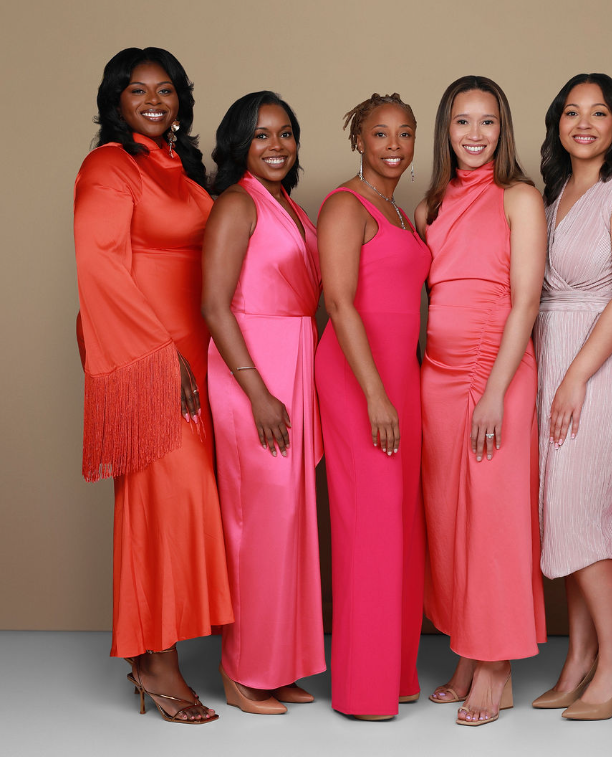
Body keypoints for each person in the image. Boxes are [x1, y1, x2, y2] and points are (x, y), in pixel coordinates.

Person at [73, 47, 232, 724]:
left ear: (180, 100)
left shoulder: (179, 166)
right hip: (148, 352)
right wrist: (162, 357)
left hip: (198, 350)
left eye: (165, 90)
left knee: (184, 503)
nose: (153, 101)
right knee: (163, 499)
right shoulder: (110, 166)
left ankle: (154, 652)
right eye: (138, 90)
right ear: (116, 100)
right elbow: (99, 264)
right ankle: (155, 661)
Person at [415, 75, 547, 727]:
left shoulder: (520, 197)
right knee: (448, 518)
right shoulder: (428, 207)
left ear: (503, 129)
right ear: (446, 129)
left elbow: (526, 300)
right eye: (462, 121)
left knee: (495, 517)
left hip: (499, 370)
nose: (474, 134)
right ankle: (467, 650)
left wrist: (495, 389)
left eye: (487, 121)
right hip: (436, 377)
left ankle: (496, 668)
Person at [531, 73, 612, 721]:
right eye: (571, 112)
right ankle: (579, 657)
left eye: (598, 112)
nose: (583, 123)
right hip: (553, 352)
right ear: (557, 124)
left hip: (601, 359)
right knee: (562, 512)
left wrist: (577, 374)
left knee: (585, 513)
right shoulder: (551, 195)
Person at [201, 92, 325, 715]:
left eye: (285, 133)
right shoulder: (236, 203)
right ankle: (242, 670)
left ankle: (278, 665)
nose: (276, 145)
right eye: (260, 135)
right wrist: (257, 393)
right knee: (254, 525)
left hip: (294, 363)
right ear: (238, 144)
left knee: (289, 522)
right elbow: (215, 305)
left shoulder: (291, 206)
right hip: (251, 370)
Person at [315, 93, 429, 720]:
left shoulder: (401, 213)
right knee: (370, 524)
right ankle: (363, 689)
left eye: (404, 133)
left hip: (400, 377)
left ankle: (396, 672)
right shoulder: (344, 205)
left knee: (400, 524)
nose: (393, 144)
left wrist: (405, 378)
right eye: (379, 133)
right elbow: (339, 302)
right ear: (357, 140)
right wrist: (376, 393)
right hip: (360, 380)